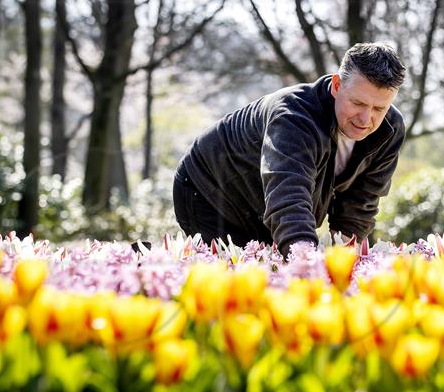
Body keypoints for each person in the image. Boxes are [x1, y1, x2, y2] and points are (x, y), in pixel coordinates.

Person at [173, 42, 406, 257]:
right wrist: (307, 262)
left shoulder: (390, 130)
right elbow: (289, 194)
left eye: (379, 108)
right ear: (336, 85)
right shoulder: (292, 118)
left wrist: (341, 260)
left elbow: (361, 201)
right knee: (237, 279)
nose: (366, 119)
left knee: (275, 271)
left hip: (261, 205)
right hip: (209, 193)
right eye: (358, 103)